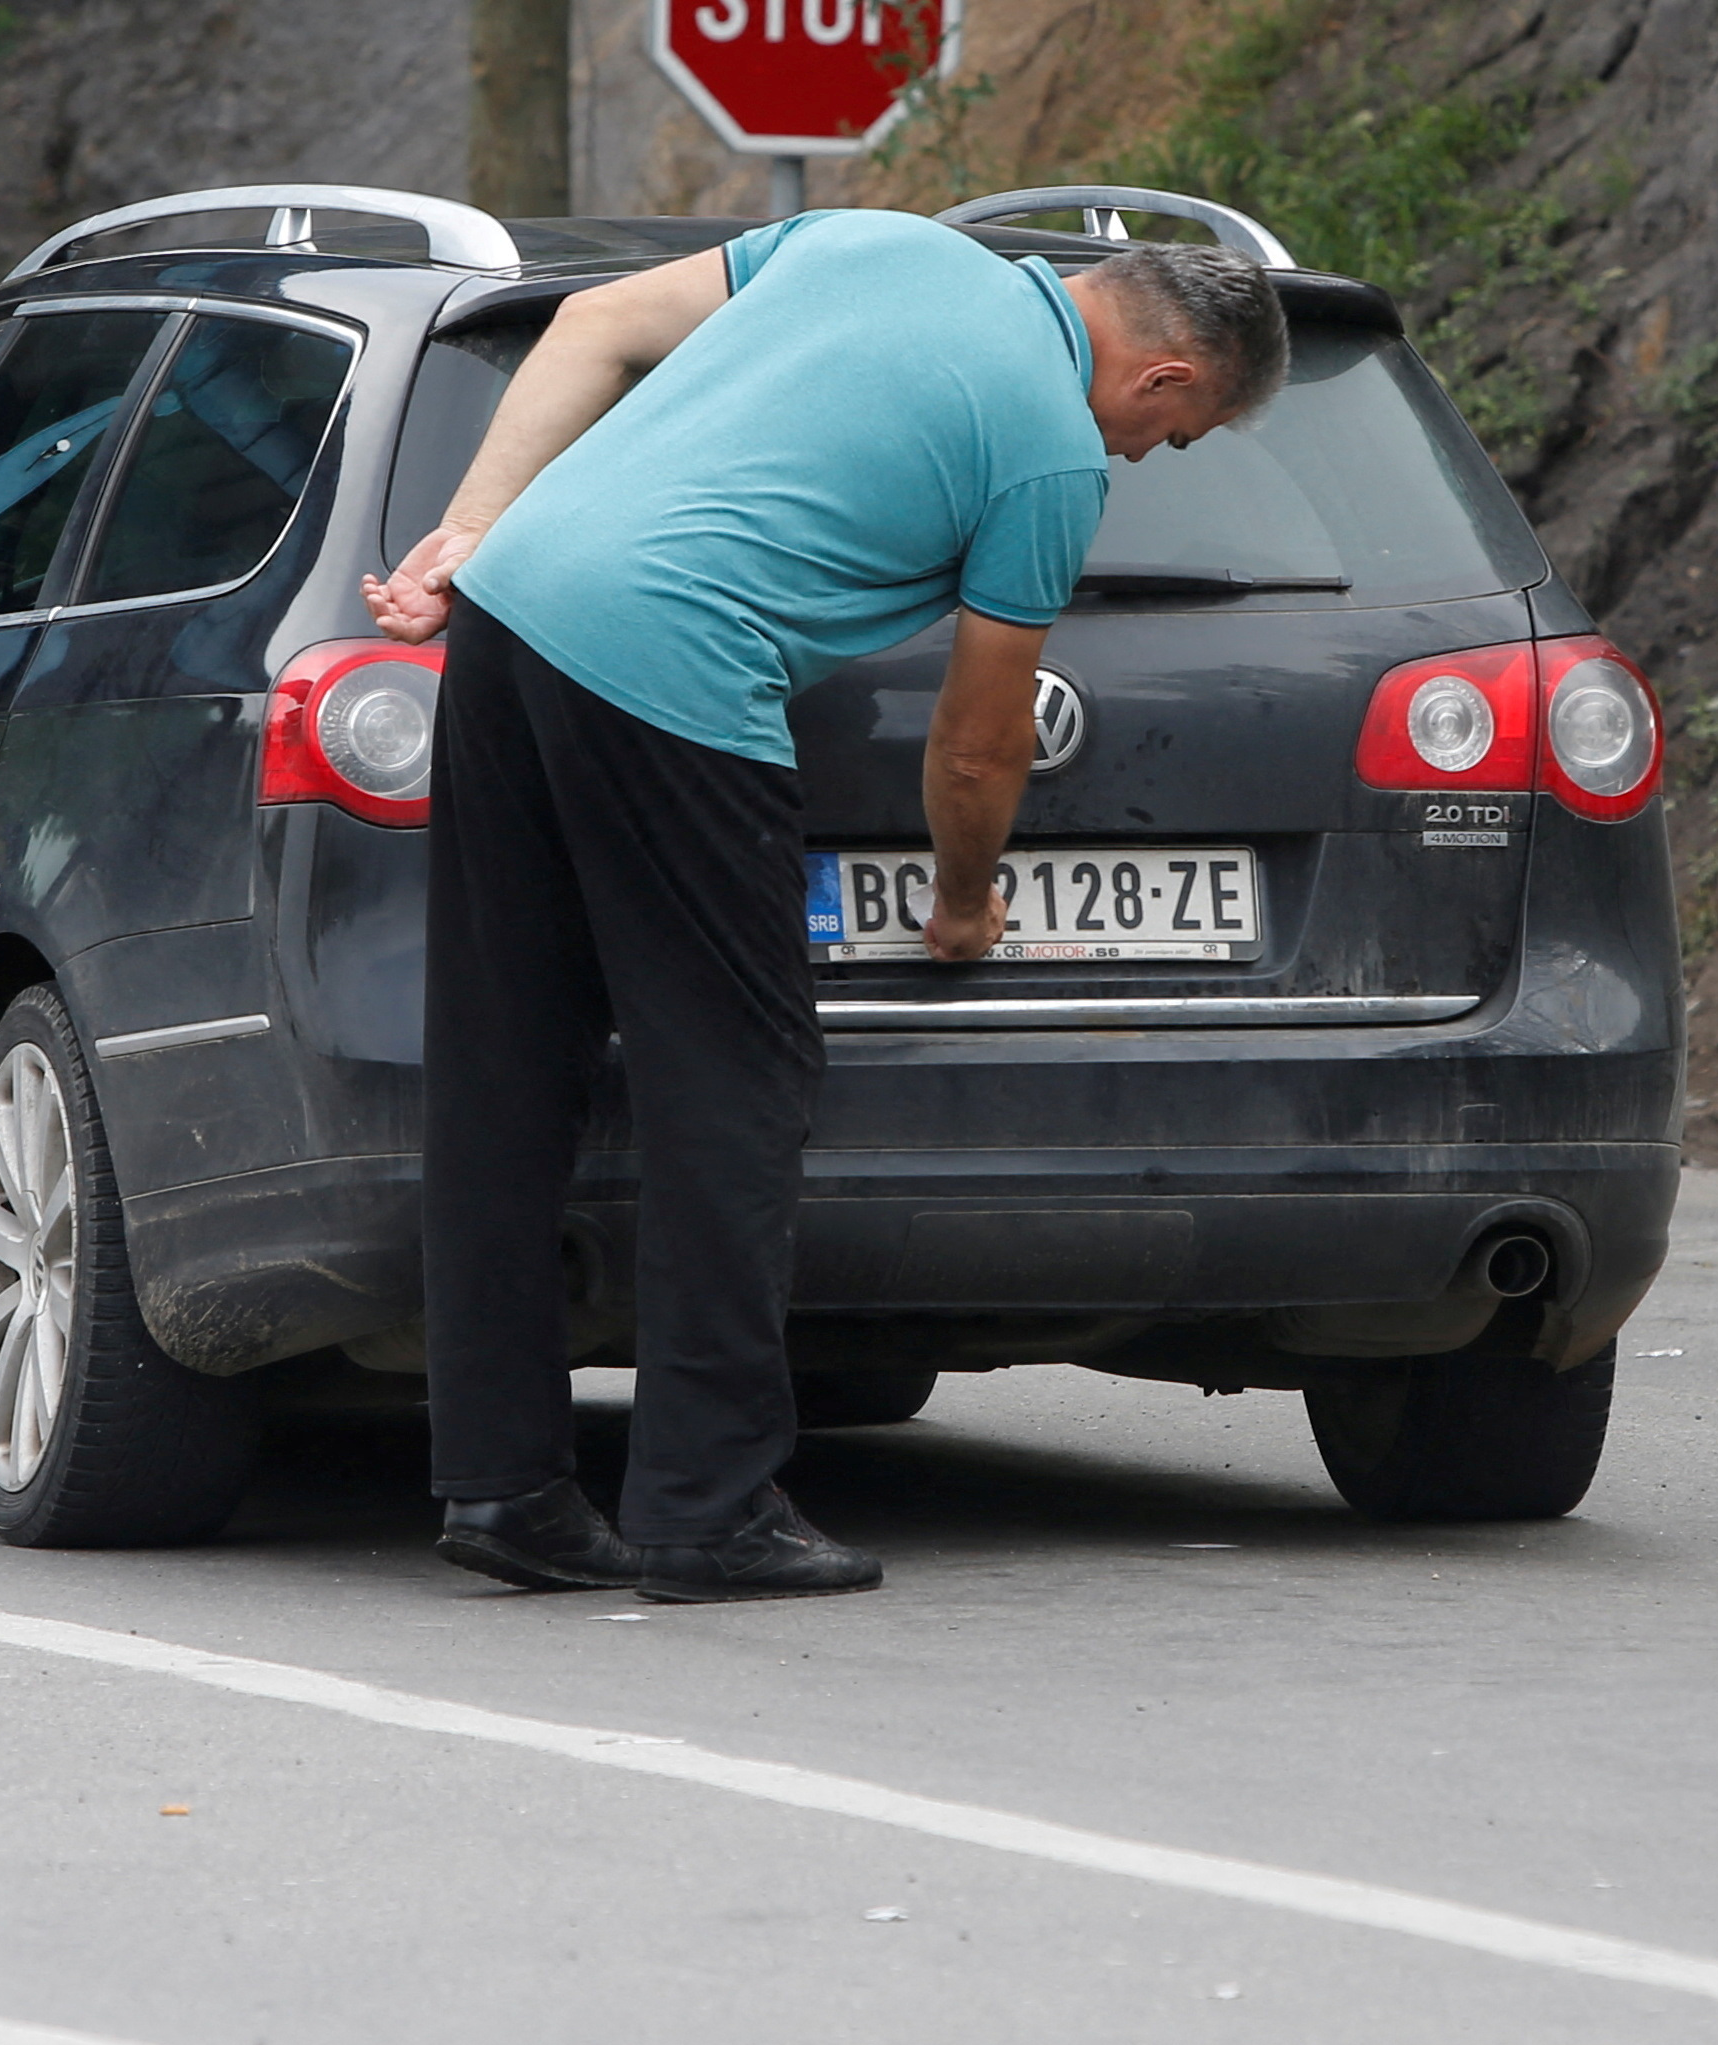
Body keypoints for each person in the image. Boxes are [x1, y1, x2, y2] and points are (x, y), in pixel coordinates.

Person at [363, 209, 1287, 1602]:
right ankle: (703, 1504)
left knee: (506, 1067)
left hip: (508, 617)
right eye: (1178, 434)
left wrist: (467, 536)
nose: (1146, 456)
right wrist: (964, 904)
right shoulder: (1045, 448)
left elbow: (589, 326)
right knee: (732, 1084)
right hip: (667, 669)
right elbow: (979, 746)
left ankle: (503, 1488)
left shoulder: (872, 240)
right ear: (1163, 378)